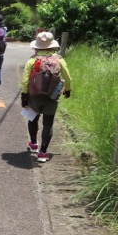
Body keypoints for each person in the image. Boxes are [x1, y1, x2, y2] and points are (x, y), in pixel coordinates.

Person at [20, 31, 72, 163]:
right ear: (52, 46)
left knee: (33, 119)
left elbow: (25, 80)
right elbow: (67, 78)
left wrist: (24, 95)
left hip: (34, 96)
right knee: (48, 123)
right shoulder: (59, 60)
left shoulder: (32, 60)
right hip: (52, 97)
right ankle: (42, 153)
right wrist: (67, 90)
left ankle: (33, 143)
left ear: (37, 47)